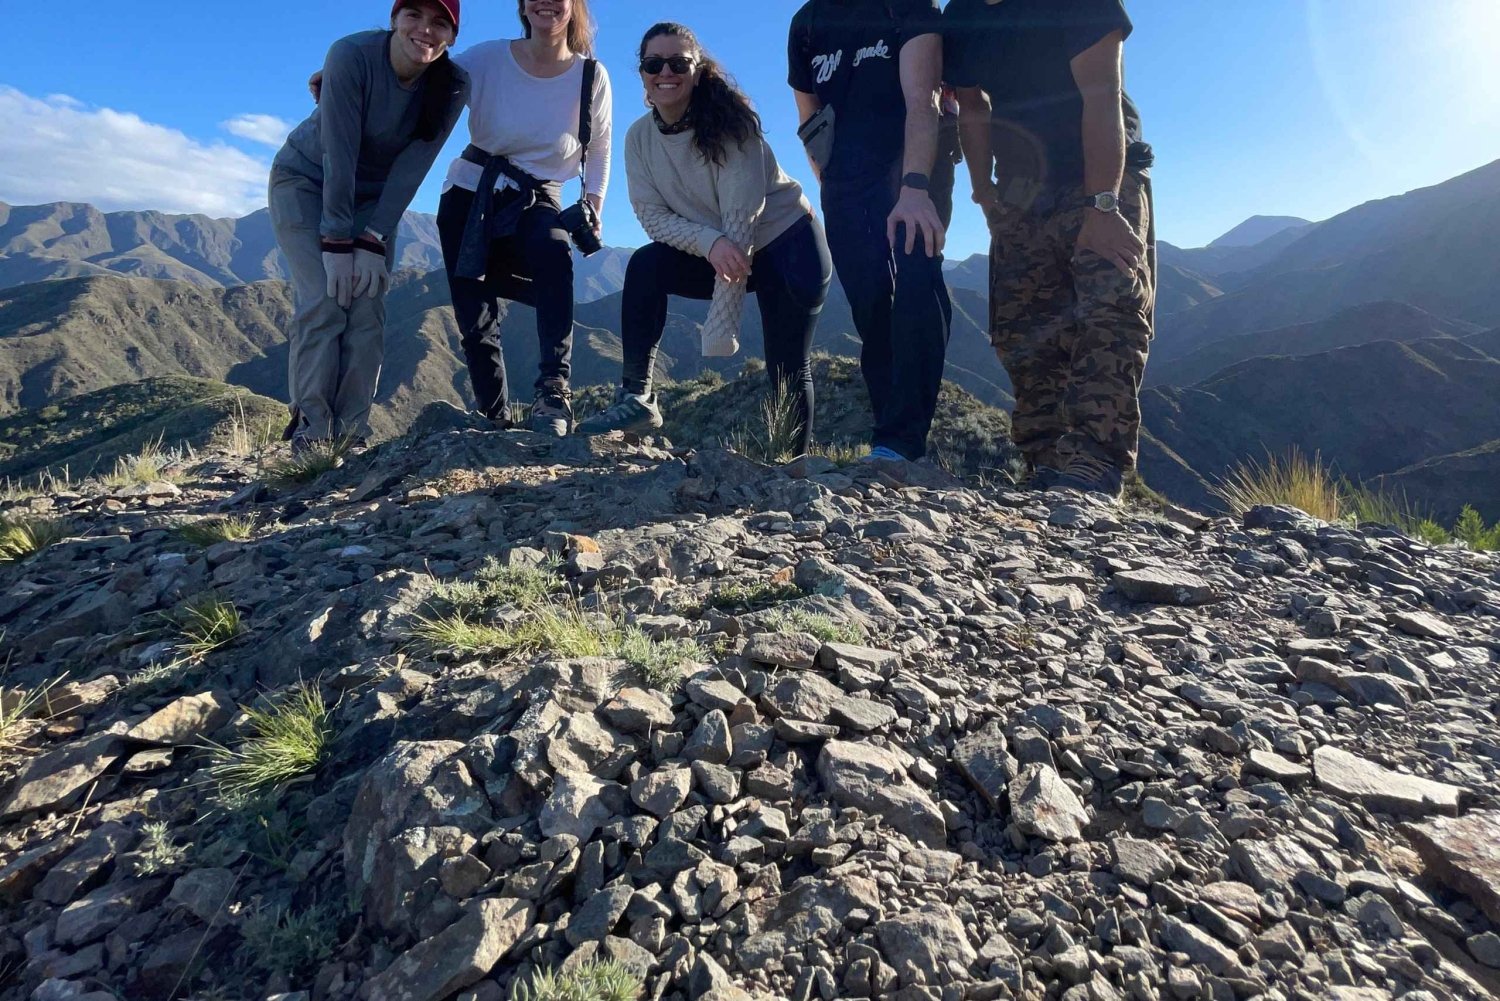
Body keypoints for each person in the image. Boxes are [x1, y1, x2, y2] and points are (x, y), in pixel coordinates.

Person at [578, 22, 832, 454]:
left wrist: (721, 325)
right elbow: (652, 217)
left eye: (679, 63)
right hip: (721, 246)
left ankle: (791, 465)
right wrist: (708, 243)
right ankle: (637, 396)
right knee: (645, 266)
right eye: (653, 63)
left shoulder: (733, 127)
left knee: (788, 365)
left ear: (698, 71)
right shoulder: (638, 138)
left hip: (788, 242)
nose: (665, 72)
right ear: (641, 72)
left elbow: (740, 220)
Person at [945, 0, 1155, 498]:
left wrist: (1102, 207)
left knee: (1112, 302)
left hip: (1100, 173)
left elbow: (1103, 94)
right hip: (1020, 184)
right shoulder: (961, 15)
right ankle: (1044, 463)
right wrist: (983, 192)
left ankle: (1095, 460)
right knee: (1020, 326)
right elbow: (973, 106)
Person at [270, 0, 468, 454]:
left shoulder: (453, 84)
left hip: (377, 202)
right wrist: (338, 239)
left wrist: (372, 238)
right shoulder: (351, 55)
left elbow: (414, 167)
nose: (425, 30)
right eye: (414, 15)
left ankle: (351, 433)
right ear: (395, 18)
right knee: (323, 297)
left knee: (365, 305)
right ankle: (312, 429)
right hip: (306, 180)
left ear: (452, 37)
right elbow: (338, 151)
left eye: (441, 23)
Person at [787, 0, 952, 465]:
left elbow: (924, 101)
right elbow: (809, 116)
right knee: (869, 302)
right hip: (846, 183)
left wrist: (915, 188)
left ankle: (901, 439)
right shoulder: (807, 23)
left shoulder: (907, 7)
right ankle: (890, 435)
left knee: (918, 281)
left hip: (914, 169)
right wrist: (831, 184)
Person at [436, 0, 612, 436]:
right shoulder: (486, 58)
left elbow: (601, 147)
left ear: (574, 7)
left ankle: (553, 391)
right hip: (468, 193)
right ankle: (492, 418)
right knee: (475, 316)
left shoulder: (592, 75)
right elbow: (420, 74)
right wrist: (350, 75)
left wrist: (594, 204)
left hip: (540, 197)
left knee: (554, 255)